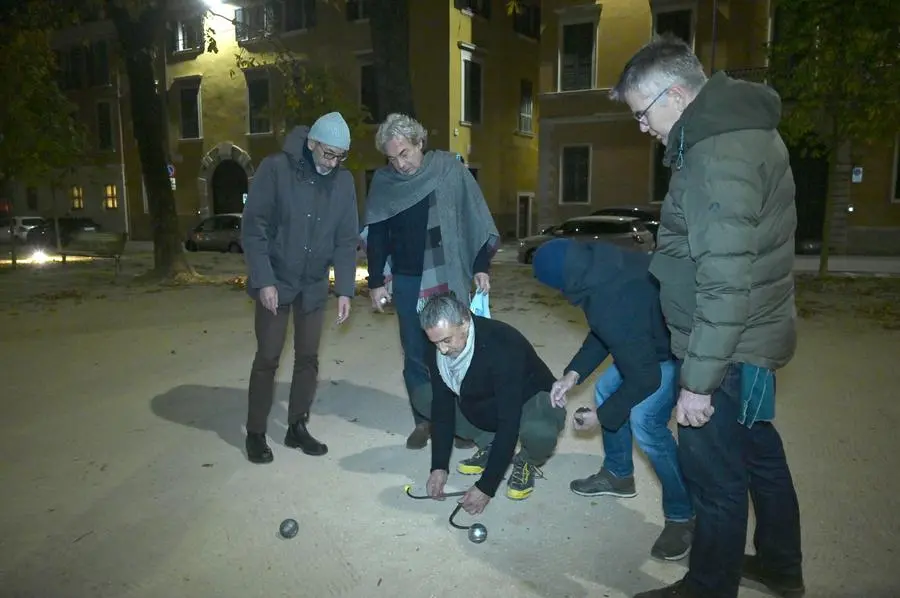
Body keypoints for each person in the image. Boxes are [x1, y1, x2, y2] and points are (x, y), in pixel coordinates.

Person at [610, 34, 804, 598]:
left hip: (724, 348)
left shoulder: (717, 157)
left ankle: (708, 586)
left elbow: (725, 278)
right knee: (759, 456)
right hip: (751, 336)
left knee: (713, 475)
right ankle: (780, 566)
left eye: (643, 114)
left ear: (674, 95)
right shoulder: (735, 136)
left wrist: (697, 382)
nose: (642, 128)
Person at [532, 238, 694, 561]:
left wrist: (601, 417)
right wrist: (572, 374)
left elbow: (646, 376)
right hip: (650, 339)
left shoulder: (610, 298)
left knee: (645, 421)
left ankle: (683, 514)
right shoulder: (602, 267)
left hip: (682, 349)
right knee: (607, 387)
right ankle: (619, 474)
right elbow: (607, 331)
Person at [363, 113, 500, 450]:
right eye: (392, 158)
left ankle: (461, 422)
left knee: (455, 350)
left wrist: (481, 266)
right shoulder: (384, 182)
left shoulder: (449, 170)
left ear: (419, 143)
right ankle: (424, 420)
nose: (400, 164)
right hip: (408, 281)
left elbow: (476, 218)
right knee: (416, 353)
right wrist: (376, 281)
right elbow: (378, 233)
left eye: (405, 153)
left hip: (448, 277)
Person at [241, 112, 360, 464]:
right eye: (328, 154)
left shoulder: (344, 182)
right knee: (268, 356)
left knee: (308, 358)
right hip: (275, 279)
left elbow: (345, 239)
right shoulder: (276, 169)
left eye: (341, 156)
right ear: (311, 144)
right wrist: (263, 280)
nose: (333, 163)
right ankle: (256, 432)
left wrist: (345, 290)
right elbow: (254, 228)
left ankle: (296, 426)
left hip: (313, 285)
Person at [414, 293, 566, 513]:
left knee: (539, 432)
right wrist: (439, 466)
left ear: (465, 322)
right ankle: (491, 443)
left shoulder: (503, 345)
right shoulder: (436, 346)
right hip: (489, 397)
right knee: (424, 396)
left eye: (447, 340)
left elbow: (509, 419)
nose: (443, 350)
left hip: (530, 400)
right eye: (435, 342)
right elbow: (442, 406)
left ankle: (526, 460)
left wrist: (487, 486)